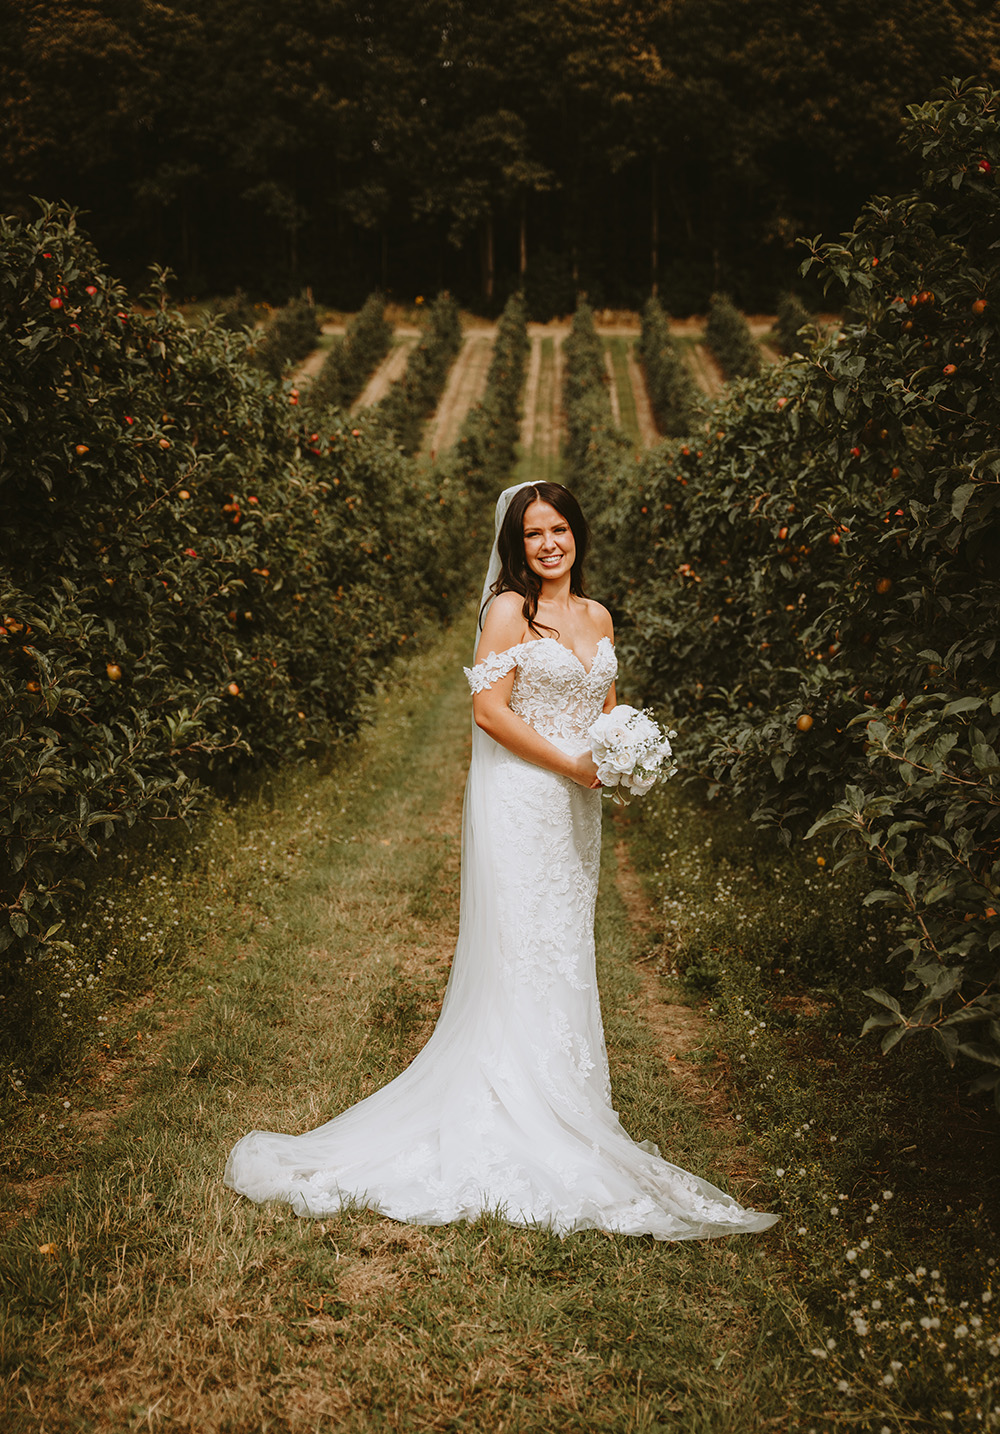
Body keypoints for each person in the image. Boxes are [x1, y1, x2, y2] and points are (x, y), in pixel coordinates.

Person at [224, 482, 777, 1240]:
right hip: (525, 795)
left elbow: (606, 706)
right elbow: (490, 713)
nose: (548, 544)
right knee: (523, 947)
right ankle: (515, 1109)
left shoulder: (598, 616)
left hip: (576, 807)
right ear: (516, 547)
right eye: (532, 535)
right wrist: (574, 765)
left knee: (564, 947)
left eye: (558, 530)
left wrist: (624, 752)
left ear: (577, 534)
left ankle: (569, 1104)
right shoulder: (509, 611)